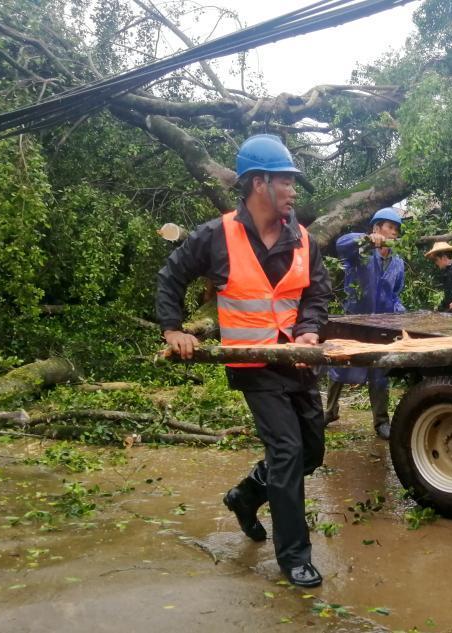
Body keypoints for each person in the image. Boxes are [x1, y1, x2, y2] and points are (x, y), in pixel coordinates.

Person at [156, 134, 331, 588]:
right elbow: (171, 275)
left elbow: (317, 290)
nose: (294, 190)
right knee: (288, 452)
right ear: (259, 184)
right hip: (252, 367)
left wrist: (310, 327)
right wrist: (173, 329)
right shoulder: (217, 235)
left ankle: (246, 494)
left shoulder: (302, 238)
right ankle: (294, 556)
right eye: (287, 181)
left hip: (296, 361)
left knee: (311, 450)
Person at [325, 208, 404, 439]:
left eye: (396, 229)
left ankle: (381, 422)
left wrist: (400, 313)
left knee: (380, 371)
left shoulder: (398, 262)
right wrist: (365, 240)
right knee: (340, 363)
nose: (394, 232)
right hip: (355, 320)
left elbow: (396, 293)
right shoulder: (360, 252)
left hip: (382, 325)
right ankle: (330, 411)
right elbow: (341, 244)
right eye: (389, 227)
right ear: (376, 228)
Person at [424, 241, 452, 312]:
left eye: (436, 260)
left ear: (444, 258)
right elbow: (448, 295)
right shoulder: (447, 271)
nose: (436, 263)